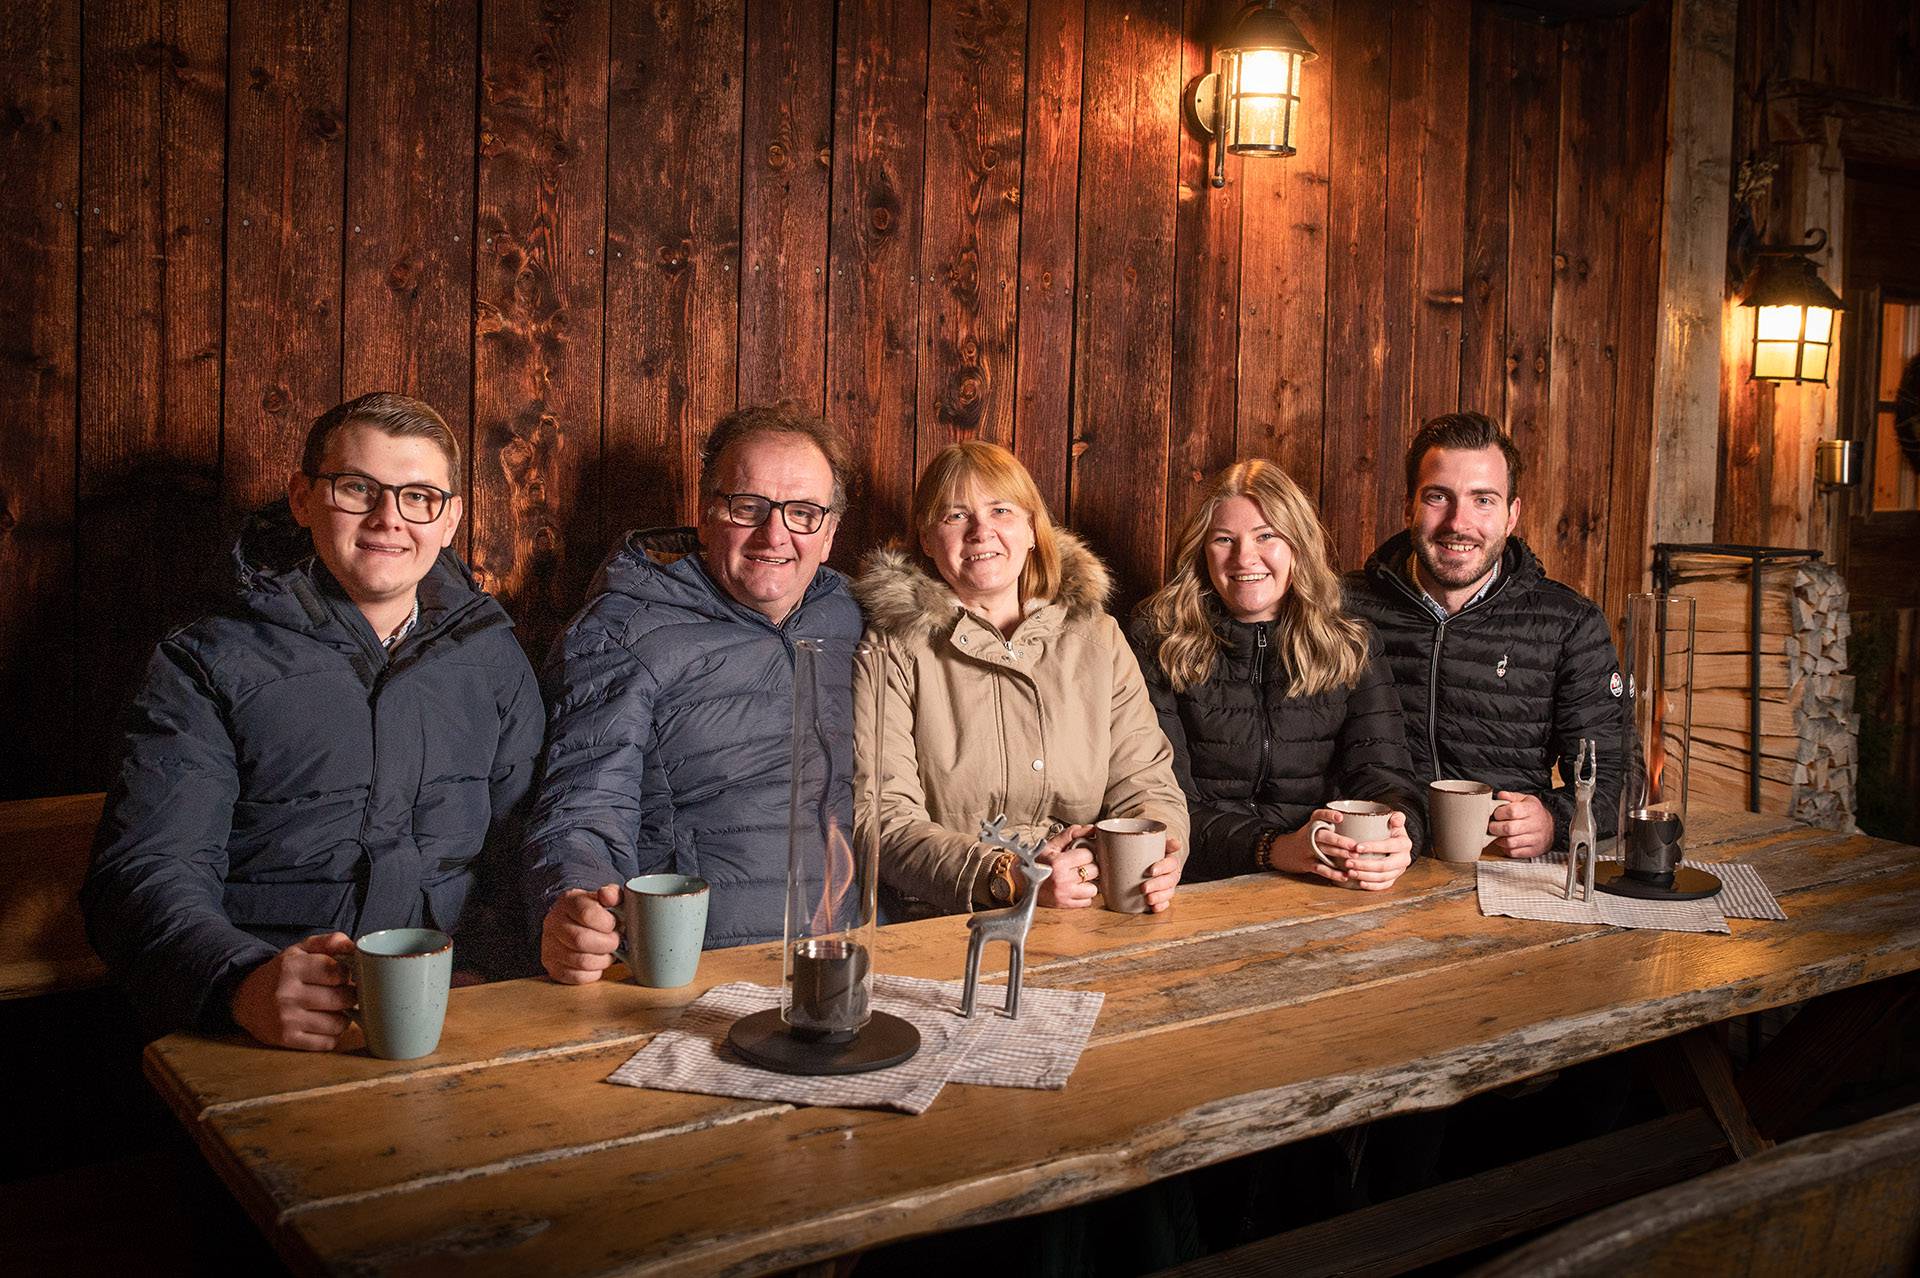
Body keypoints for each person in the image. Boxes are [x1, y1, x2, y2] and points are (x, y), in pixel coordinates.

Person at [82, 392, 545, 1049]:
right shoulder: (206, 661)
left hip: (453, 1014)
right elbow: (148, 871)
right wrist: (239, 983)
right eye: (358, 488)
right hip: (268, 1025)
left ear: (449, 520)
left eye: (418, 496)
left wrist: (487, 964)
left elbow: (521, 839)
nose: (389, 519)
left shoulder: (491, 654)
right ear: (303, 499)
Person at [526, 404, 862, 982]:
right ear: (706, 517)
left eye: (803, 513)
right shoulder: (626, 633)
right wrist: (573, 902)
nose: (774, 534)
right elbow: (585, 803)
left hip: (848, 960)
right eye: (748, 507)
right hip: (695, 971)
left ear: (829, 534)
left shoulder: (857, 617)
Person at [853, 440, 1187, 916]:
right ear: (926, 540)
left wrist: (1154, 854)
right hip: (947, 920)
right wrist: (1009, 877)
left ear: (1033, 528)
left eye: (1001, 510)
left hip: (1094, 906)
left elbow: (1146, 781)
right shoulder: (893, 648)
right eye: (954, 516)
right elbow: (881, 819)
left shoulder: (1098, 637)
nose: (980, 531)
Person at [1345, 411, 1628, 856]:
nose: (1459, 523)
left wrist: (1553, 819)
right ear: (1408, 506)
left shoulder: (1570, 624)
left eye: (1483, 500)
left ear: (1512, 514)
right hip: (1370, 860)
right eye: (1439, 497)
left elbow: (1613, 778)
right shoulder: (1341, 609)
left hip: (1501, 868)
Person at [1134, 459, 1423, 889]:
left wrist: (1402, 839)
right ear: (1201, 551)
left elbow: (1385, 778)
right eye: (1224, 539)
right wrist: (1274, 847)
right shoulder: (1159, 639)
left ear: (1298, 545)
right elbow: (1164, 803)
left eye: (1266, 536)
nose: (1243, 557)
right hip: (1197, 883)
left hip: (1320, 877)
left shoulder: (1351, 641)